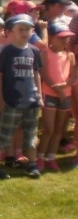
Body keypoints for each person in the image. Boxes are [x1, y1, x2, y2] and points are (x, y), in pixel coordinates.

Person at [0, 15, 43, 179]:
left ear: (32, 31)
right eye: (20, 29)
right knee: (5, 133)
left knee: (31, 135)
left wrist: (39, 95)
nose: (24, 32)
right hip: (12, 100)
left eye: (27, 29)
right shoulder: (7, 51)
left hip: (31, 101)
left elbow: (36, 74)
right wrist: (0, 98)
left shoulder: (34, 51)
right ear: (10, 32)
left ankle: (32, 164)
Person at [38, 21, 76, 171]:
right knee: (48, 128)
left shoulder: (70, 55)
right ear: (52, 37)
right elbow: (45, 74)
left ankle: (51, 157)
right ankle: (40, 157)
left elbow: (72, 76)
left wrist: (65, 88)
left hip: (65, 97)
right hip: (50, 95)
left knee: (58, 129)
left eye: (67, 38)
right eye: (61, 37)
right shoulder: (45, 53)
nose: (65, 41)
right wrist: (58, 90)